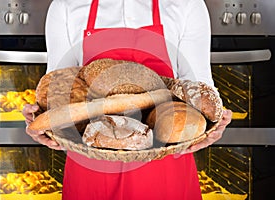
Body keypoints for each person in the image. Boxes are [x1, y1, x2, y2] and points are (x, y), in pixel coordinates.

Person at [23, 0, 232, 199]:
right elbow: (56, 91)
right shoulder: (66, 6)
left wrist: (213, 124)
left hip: (165, 171)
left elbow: (199, 90)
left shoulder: (186, 4)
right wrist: (42, 118)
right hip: (91, 171)